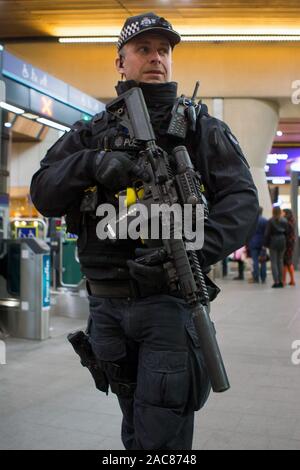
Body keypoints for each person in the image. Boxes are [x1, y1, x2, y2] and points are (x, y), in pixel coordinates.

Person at [30, 12, 259, 450]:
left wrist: (189, 253)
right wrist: (91, 164)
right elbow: (44, 192)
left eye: (164, 50)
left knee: (161, 432)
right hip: (107, 307)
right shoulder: (90, 133)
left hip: (167, 306)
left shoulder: (199, 129)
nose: (156, 58)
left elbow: (243, 202)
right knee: (134, 422)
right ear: (121, 62)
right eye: (143, 49)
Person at [264, 206, 288, 288]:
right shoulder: (284, 220)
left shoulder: (271, 221)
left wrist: (265, 244)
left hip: (273, 241)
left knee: (273, 262)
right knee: (280, 261)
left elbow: (267, 234)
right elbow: (287, 232)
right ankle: (281, 281)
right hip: (282, 240)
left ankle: (276, 282)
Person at [248, 206, 268, 283]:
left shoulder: (252, 221)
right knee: (263, 260)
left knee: (255, 261)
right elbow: (267, 233)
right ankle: (263, 277)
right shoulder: (265, 221)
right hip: (262, 243)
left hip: (253, 243)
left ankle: (256, 277)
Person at [282, 208, 296, 286]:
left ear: (286, 213)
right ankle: (292, 280)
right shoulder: (292, 220)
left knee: (286, 262)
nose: (281, 214)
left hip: (287, 243)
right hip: (291, 242)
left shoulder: (286, 222)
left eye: (283, 212)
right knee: (288, 261)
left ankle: (284, 280)